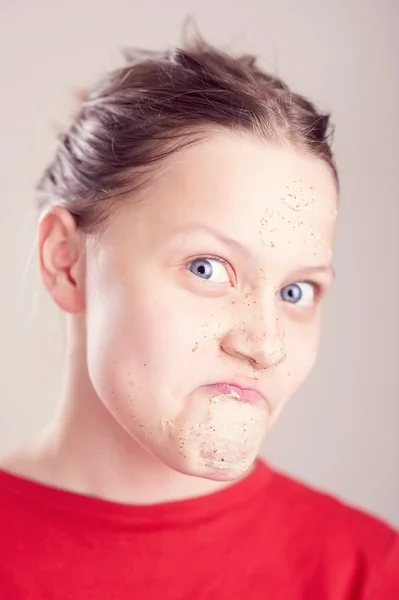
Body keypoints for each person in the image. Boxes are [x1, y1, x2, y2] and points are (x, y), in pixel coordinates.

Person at [0, 36, 397, 599]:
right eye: (207, 267)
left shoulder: (366, 572)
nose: (265, 344)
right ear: (66, 261)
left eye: (295, 290)